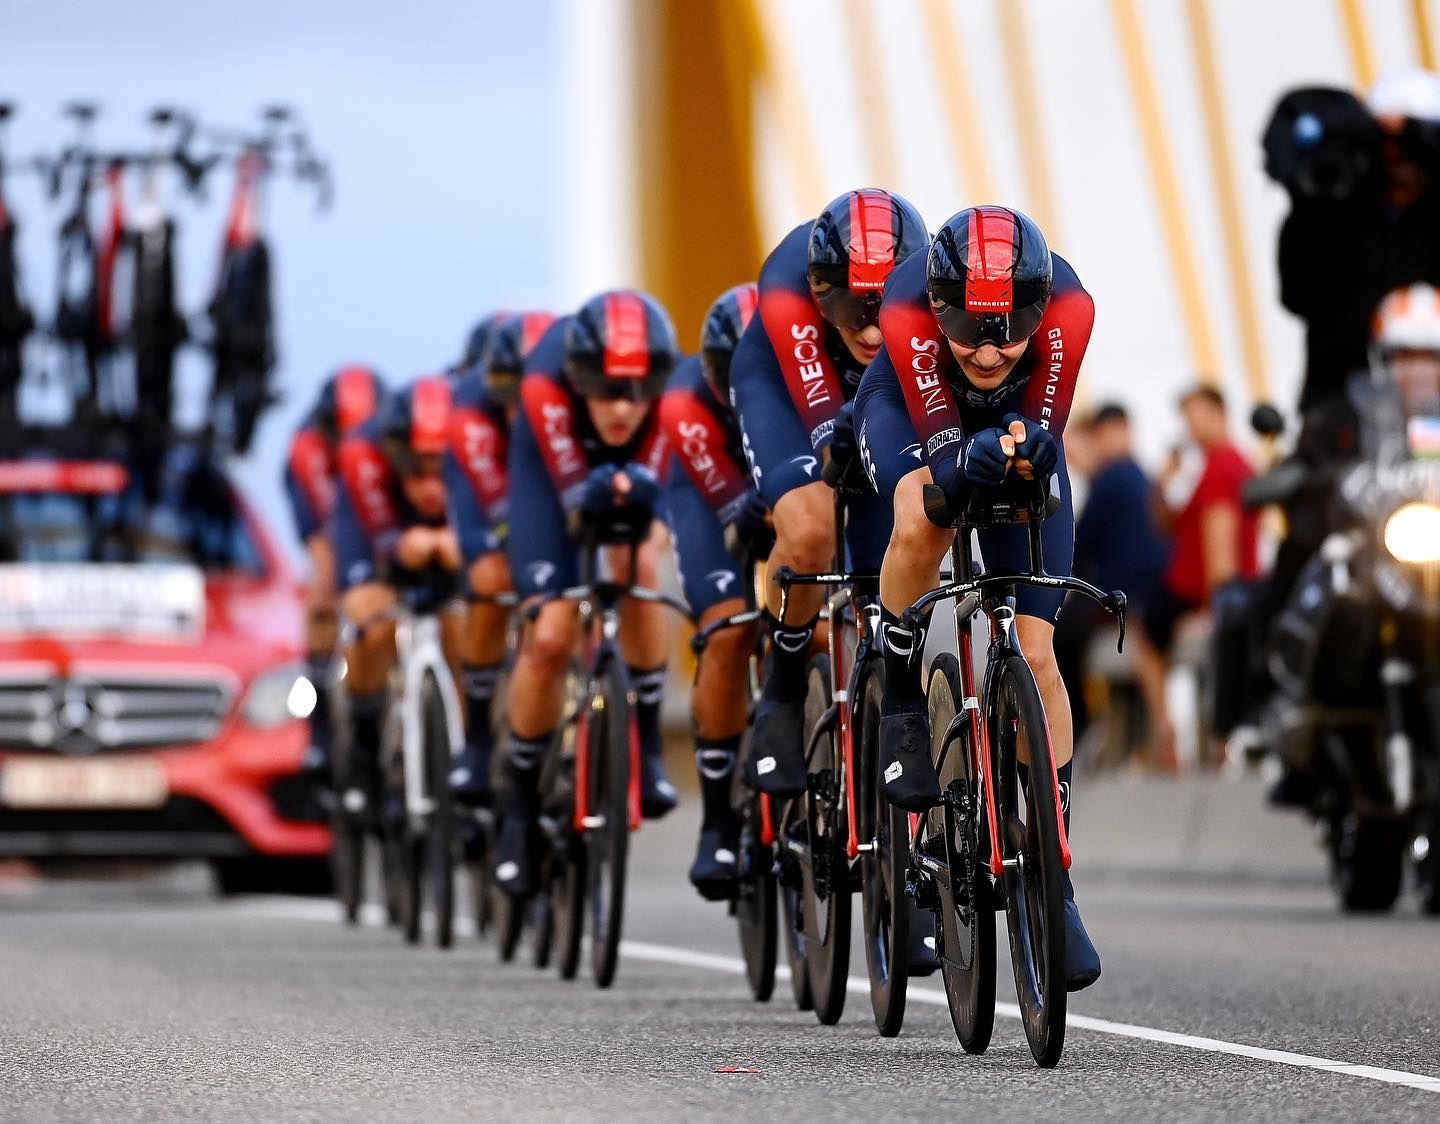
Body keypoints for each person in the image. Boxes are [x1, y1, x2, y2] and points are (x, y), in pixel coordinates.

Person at [852, 204, 1104, 990]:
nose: (990, 350)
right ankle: (900, 691)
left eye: (1008, 330)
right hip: (910, 411)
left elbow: (1039, 440)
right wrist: (972, 462)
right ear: (936, 309)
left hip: (1007, 432)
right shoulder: (905, 311)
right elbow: (942, 479)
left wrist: (1026, 449)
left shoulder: (1070, 308)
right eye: (967, 327)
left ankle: (1052, 873)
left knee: (1036, 648)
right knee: (922, 517)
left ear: (1037, 310)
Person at [728, 188, 928, 797]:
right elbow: (830, 439)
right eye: (852, 309)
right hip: (786, 390)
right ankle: (782, 691)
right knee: (813, 526)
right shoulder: (788, 287)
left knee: (883, 576)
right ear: (822, 294)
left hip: (873, 397)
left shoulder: (929, 285)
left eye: (884, 309)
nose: (870, 330)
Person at [496, 290, 679, 897]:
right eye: (605, 390)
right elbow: (577, 500)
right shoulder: (546, 385)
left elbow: (655, 491)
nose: (623, 409)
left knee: (643, 565)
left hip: (628, 479)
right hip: (549, 483)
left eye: (636, 392)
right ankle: (518, 813)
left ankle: (646, 747)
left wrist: (640, 511)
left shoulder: (664, 391)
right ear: (578, 379)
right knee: (549, 634)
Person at [657, 282, 768, 900]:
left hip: (781, 489)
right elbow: (737, 511)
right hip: (708, 494)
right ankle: (720, 819)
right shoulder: (685, 401)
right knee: (727, 631)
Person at [332, 376, 462, 823]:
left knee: (467, 620)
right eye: (415, 469)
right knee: (372, 616)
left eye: (439, 471)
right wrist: (401, 547)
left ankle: (463, 737)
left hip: (445, 535)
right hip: (373, 528)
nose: (429, 487)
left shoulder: (470, 446)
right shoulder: (361, 454)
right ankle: (364, 740)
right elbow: (387, 551)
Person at [443, 311, 554, 806]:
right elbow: (501, 514)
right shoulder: (472, 409)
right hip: (487, 490)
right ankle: (477, 736)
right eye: (512, 398)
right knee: (490, 574)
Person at [281, 364, 383, 787]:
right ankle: (319, 722)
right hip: (328, 516)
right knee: (323, 593)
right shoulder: (306, 452)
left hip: (375, 513)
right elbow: (324, 534)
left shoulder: (386, 445)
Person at [1066, 404, 1174, 766]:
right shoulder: (1139, 475)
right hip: (1151, 593)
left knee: (1059, 634)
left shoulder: (1109, 478)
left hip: (1123, 597)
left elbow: (1076, 550)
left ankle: (1079, 725)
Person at [1148, 387, 1259, 658]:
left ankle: (1161, 703)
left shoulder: (1222, 468)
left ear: (1219, 413)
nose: (1190, 425)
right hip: (1197, 591)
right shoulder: (1213, 466)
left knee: (1143, 628)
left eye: (1195, 415)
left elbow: (1220, 546)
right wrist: (1163, 482)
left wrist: (1212, 610)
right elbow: (1167, 526)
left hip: (1201, 596)